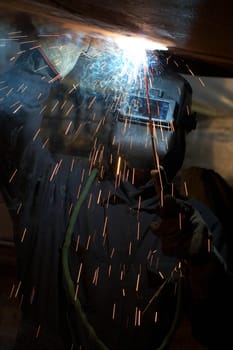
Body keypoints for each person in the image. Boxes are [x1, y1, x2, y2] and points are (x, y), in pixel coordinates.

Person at [0, 13, 233, 350]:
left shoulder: (193, 227)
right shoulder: (57, 188)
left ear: (182, 127)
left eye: (157, 112)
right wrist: (46, 61)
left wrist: (202, 262)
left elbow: (220, 330)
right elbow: (9, 122)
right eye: (140, 109)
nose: (148, 120)